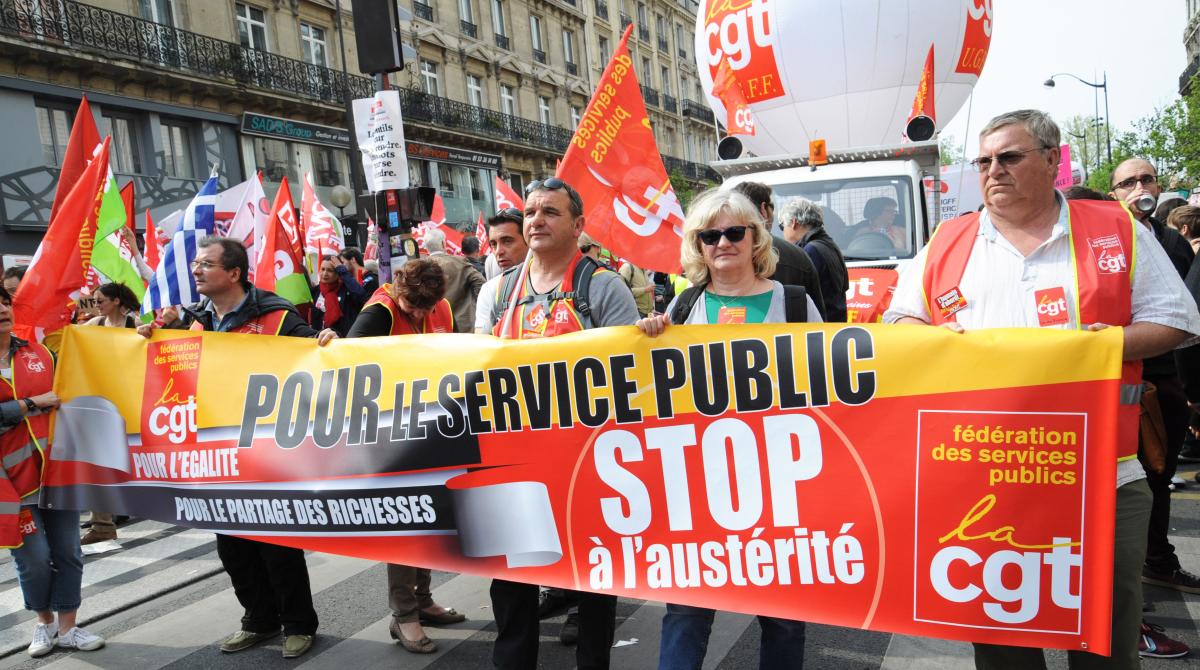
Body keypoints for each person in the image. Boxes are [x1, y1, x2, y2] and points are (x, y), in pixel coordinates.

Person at [884, 109, 1200, 668]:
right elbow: (900, 319)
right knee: (1002, 641)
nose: (993, 171)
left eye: (1009, 157)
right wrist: (934, 340)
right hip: (983, 480)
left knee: (1104, 635)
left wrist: (1100, 345)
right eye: (984, 161)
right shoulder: (949, 239)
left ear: (1052, 160)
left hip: (1102, 474)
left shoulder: (1115, 228)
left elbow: (1178, 319)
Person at [636, 189, 818, 670]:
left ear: (755, 238)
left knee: (783, 614)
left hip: (778, 482)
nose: (723, 243)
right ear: (697, 245)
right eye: (709, 235)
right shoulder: (683, 306)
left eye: (735, 232)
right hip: (700, 483)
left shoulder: (794, 303)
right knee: (687, 609)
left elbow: (827, 386)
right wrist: (649, 337)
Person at [137, 237, 335, 659]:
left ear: (234, 273)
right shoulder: (194, 320)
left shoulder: (276, 316)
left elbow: (316, 353)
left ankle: (298, 625)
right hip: (216, 453)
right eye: (196, 263)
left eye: (206, 264)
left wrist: (327, 341)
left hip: (265, 449)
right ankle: (259, 621)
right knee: (233, 545)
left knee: (276, 543)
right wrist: (147, 339)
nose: (196, 270)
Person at [483, 177, 639, 670]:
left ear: (578, 224)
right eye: (530, 212)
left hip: (587, 463)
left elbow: (629, 376)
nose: (536, 221)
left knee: (594, 575)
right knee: (512, 581)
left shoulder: (603, 286)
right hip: (514, 464)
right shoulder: (497, 291)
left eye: (550, 212)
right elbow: (475, 370)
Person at [344, 259, 465, 654]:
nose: (418, 315)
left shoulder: (441, 308)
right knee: (405, 524)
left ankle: (423, 600)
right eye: (412, 307)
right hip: (390, 436)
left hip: (432, 428)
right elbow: (345, 365)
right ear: (398, 289)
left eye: (426, 309)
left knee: (429, 519)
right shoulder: (379, 311)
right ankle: (404, 615)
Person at [1108, 159, 1200, 611]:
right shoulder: (1104, 244)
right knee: (1125, 482)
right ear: (1114, 194)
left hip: (1167, 384)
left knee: (1157, 477)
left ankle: (1156, 562)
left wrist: (1192, 392)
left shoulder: (1171, 242)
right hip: (1122, 386)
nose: (1138, 187)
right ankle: (1122, 582)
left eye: (1146, 179)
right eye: (1128, 182)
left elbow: (1189, 316)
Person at [0, 285, 105, 657]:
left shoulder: (40, 353)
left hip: (55, 474)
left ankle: (68, 627)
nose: (2, 310)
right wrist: (30, 404)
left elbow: (76, 386)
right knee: (33, 558)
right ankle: (44, 622)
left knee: (69, 552)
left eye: (4, 303)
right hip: (11, 483)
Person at [79, 282, 144, 545]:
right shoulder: (93, 325)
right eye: (94, 301)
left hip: (133, 402)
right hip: (103, 403)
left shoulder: (134, 324)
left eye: (100, 300)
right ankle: (102, 524)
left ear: (116, 301)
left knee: (137, 459)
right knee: (98, 460)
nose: (96, 305)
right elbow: (71, 342)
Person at [732, 181, 826, 318]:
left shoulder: (717, 256)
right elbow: (817, 318)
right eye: (773, 208)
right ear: (764, 209)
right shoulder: (799, 256)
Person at [778, 197, 848, 321]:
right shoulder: (828, 244)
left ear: (793, 223)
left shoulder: (811, 251)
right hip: (834, 322)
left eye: (782, 226)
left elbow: (801, 295)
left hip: (821, 325)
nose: (783, 233)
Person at [474, 208, 530, 334]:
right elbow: (482, 340)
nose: (499, 251)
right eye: (493, 244)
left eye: (507, 241)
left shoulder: (556, 280)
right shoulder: (490, 289)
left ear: (528, 239)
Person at [422, 227, 484, 333]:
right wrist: (474, 303)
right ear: (443, 243)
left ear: (426, 247)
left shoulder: (419, 267)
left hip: (433, 327)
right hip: (463, 325)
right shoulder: (460, 262)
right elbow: (481, 282)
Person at [310, 254, 366, 337]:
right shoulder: (315, 291)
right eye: (322, 269)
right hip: (319, 339)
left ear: (337, 273)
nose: (325, 273)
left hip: (342, 340)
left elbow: (361, 295)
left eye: (330, 270)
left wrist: (342, 270)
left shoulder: (346, 290)